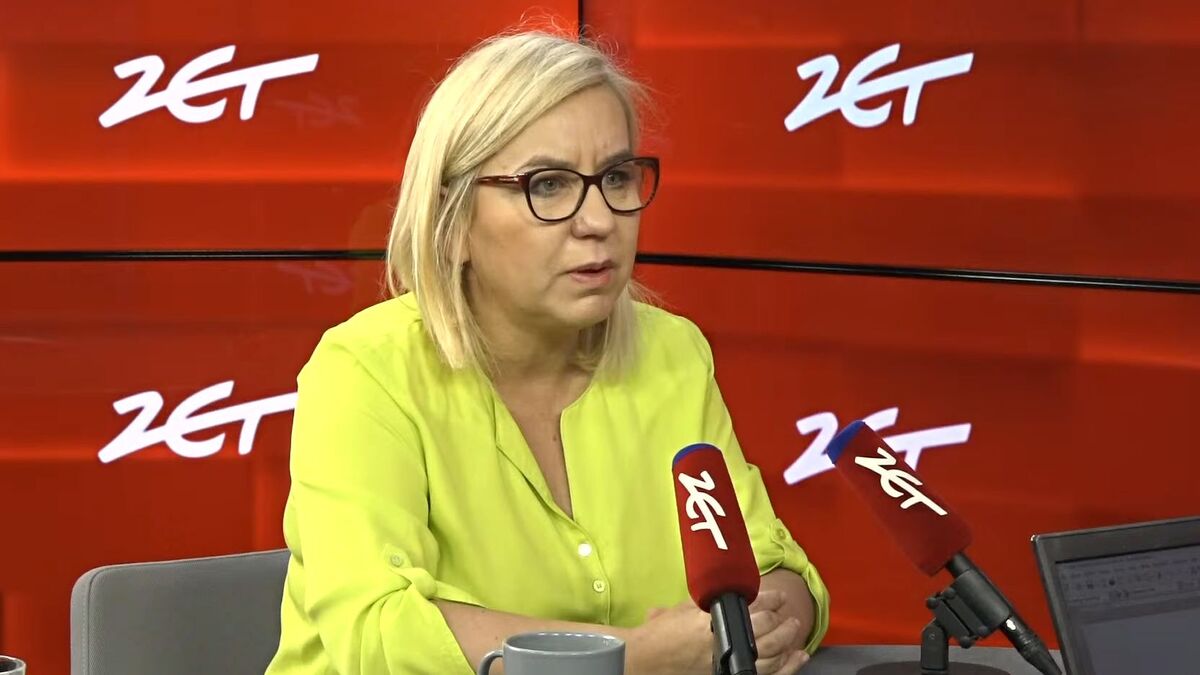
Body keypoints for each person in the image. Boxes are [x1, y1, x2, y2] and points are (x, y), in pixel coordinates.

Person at [264, 27, 829, 675]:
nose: (600, 220)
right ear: (453, 220)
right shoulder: (364, 371)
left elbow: (770, 566)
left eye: (616, 176)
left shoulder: (673, 352)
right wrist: (640, 656)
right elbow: (380, 631)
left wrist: (764, 629)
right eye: (549, 184)